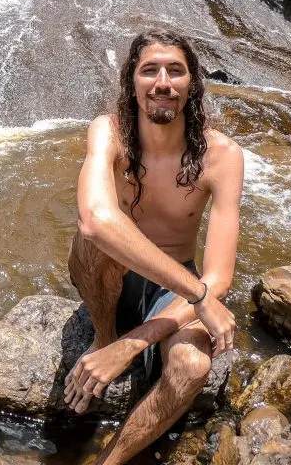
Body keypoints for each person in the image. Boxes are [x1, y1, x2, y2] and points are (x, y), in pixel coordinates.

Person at [64, 28, 244, 465]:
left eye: (175, 71)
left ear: (192, 84)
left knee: (193, 366)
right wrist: (200, 296)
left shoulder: (222, 156)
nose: (162, 82)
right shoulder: (109, 132)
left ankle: (111, 460)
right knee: (99, 239)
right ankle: (101, 335)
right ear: (132, 83)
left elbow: (218, 278)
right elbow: (96, 221)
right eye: (150, 70)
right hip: (115, 274)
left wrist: (134, 344)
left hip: (174, 288)